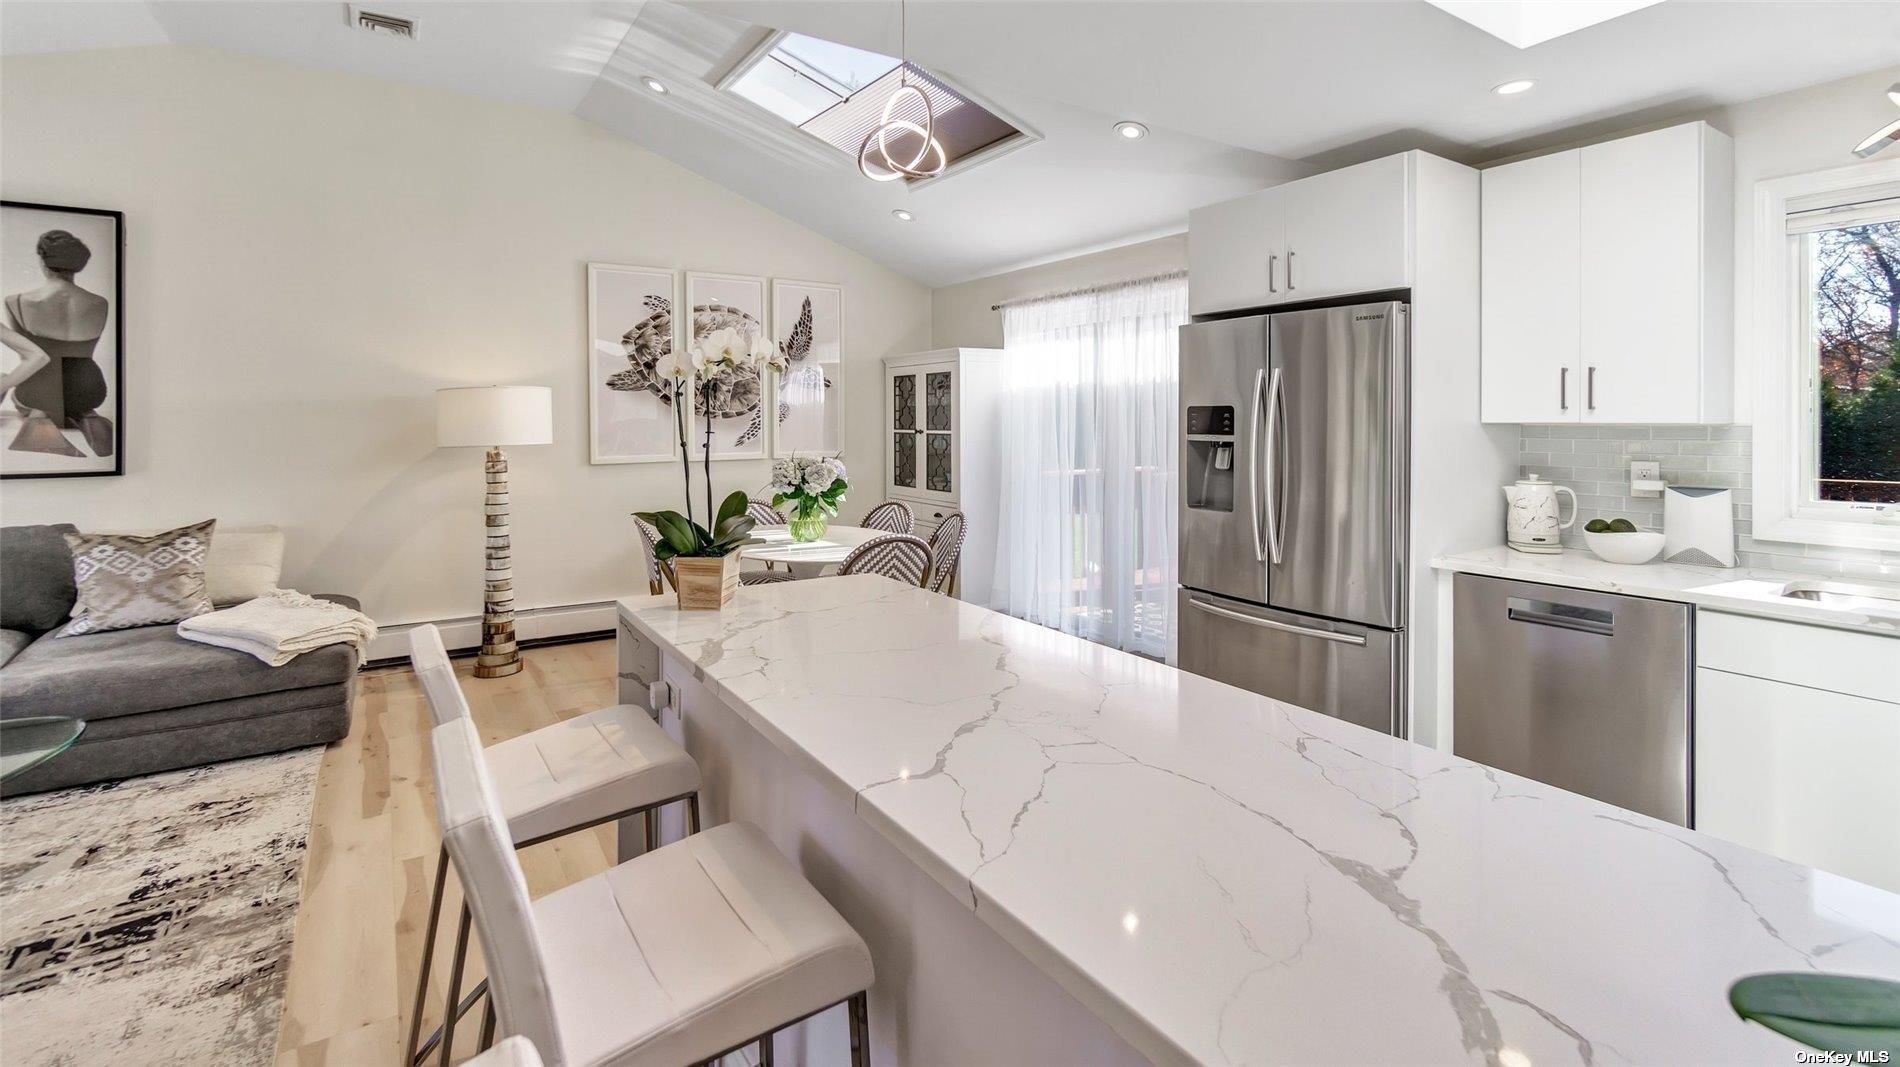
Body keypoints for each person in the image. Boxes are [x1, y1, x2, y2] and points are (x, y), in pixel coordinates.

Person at [2, 229, 113, 457]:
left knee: (19, 388)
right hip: (88, 390)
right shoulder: (101, 303)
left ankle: (40, 415)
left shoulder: (17, 302)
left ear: (43, 262)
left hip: (37, 391)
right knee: (79, 400)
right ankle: (85, 415)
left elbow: (29, 357)